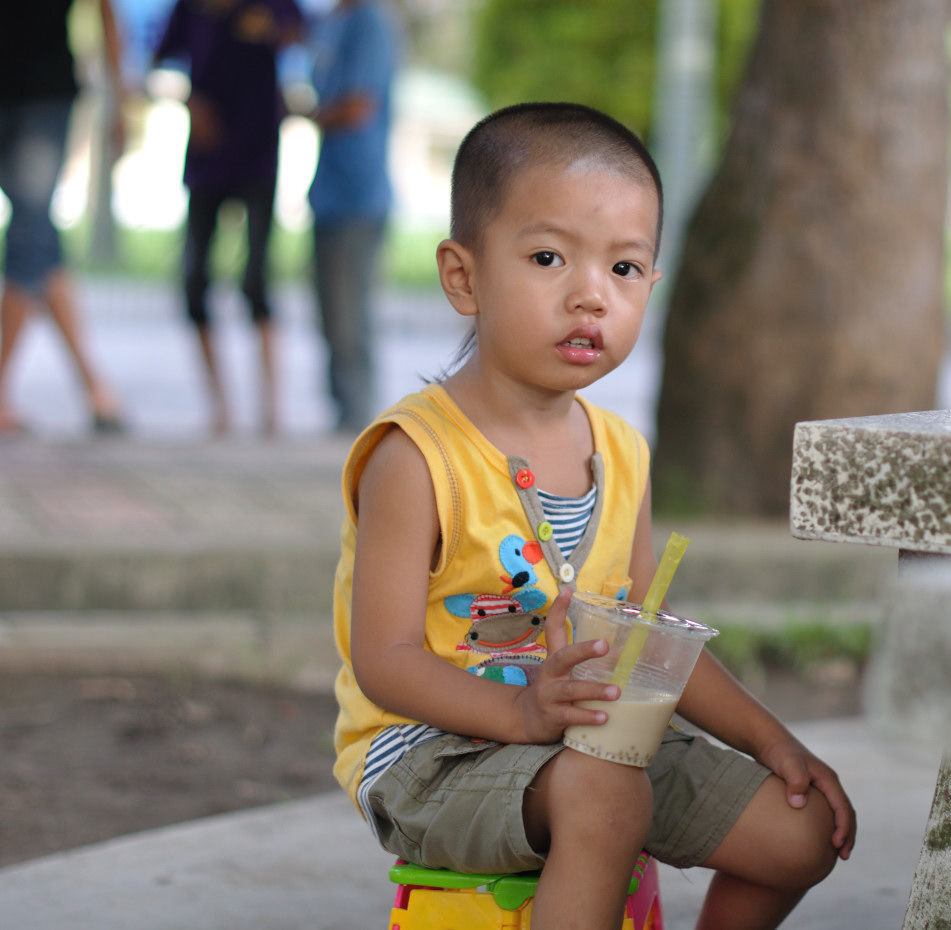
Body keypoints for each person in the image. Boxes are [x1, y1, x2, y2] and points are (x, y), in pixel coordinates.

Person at [332, 103, 856, 930]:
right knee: (609, 795)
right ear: (464, 276)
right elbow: (385, 662)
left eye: (624, 269)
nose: (589, 297)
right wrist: (519, 713)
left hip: (589, 731)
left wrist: (770, 740)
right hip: (431, 750)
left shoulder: (621, 452)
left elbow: (650, 636)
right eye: (548, 257)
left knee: (802, 831)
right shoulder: (417, 456)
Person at [153, 0, 303, 436]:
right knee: (194, 280)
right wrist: (190, 103)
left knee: (256, 278)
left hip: (257, 154)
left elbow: (298, 33)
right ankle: (220, 407)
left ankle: (271, 409)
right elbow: (158, 63)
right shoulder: (189, 10)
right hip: (206, 158)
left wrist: (271, 28)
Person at [0, 0, 128, 436]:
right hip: (26, 93)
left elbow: (106, 12)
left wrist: (119, 99)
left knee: (30, 235)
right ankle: (95, 388)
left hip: (41, 94)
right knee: (39, 243)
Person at [306, 0, 399, 434]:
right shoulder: (333, 23)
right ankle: (343, 413)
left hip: (359, 196)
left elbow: (360, 104)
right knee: (329, 314)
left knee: (349, 317)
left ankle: (357, 418)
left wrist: (311, 114)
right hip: (329, 193)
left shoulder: (371, 22)